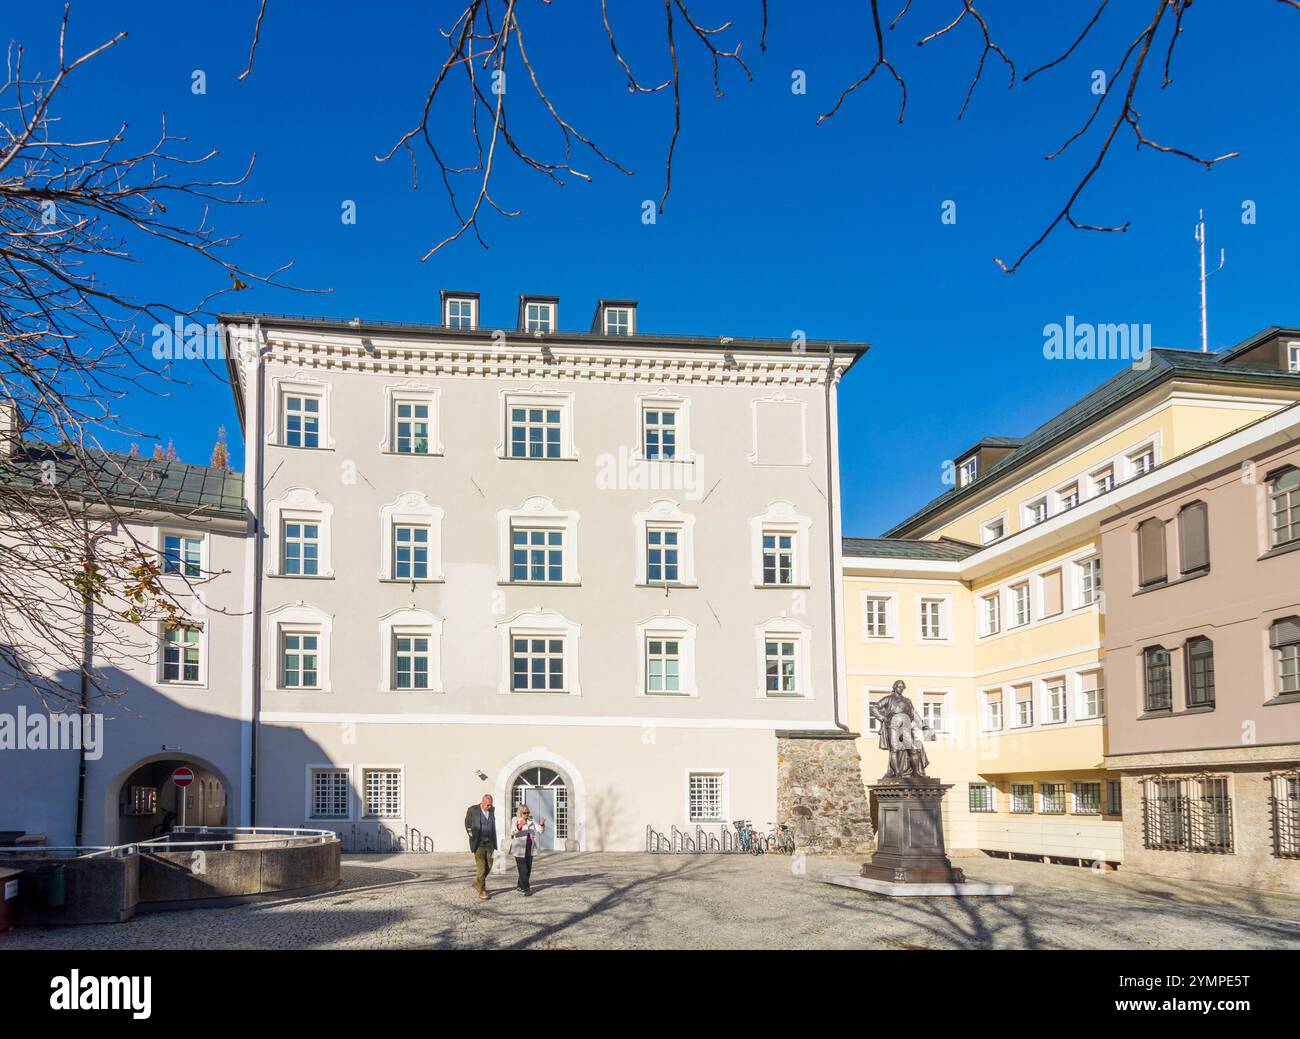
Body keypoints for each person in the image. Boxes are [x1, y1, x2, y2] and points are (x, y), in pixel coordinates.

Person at [507, 803, 546, 895]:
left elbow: (540, 830)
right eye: (524, 813)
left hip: (530, 847)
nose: (526, 814)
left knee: (528, 869)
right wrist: (519, 826)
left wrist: (542, 824)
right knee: (523, 869)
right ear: (520, 813)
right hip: (519, 848)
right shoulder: (515, 820)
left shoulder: (531, 820)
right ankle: (527, 888)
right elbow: (512, 832)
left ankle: (520, 886)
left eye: (528, 812)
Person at [464, 793, 497, 900]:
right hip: (478, 843)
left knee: (490, 865)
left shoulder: (492, 810)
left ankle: (478, 883)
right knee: (481, 867)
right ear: (482, 802)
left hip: (490, 843)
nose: (490, 807)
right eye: (488, 805)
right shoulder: (472, 810)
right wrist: (471, 835)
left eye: (491, 805)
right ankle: (482, 890)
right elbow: (467, 824)